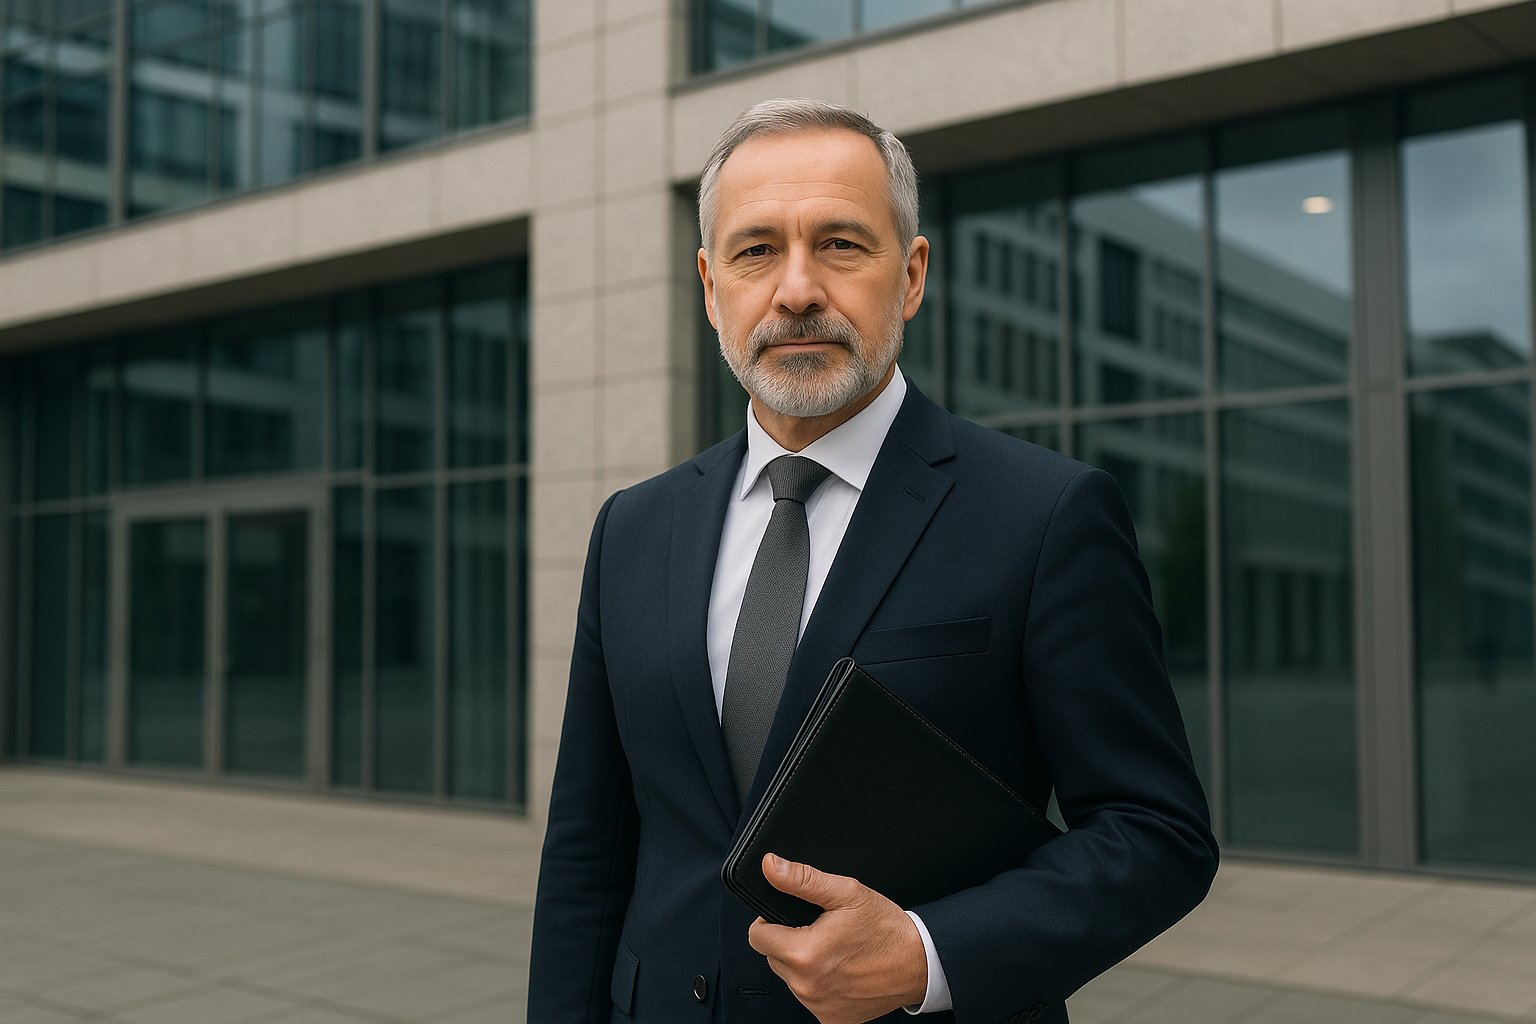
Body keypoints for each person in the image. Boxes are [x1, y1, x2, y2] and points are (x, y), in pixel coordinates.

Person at [527, 98, 1218, 1024]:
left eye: (842, 245)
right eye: (756, 250)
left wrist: (930, 957)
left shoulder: (1044, 515)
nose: (798, 289)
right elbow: (588, 850)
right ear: (709, 285)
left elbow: (1155, 832)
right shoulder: (633, 529)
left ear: (913, 274)